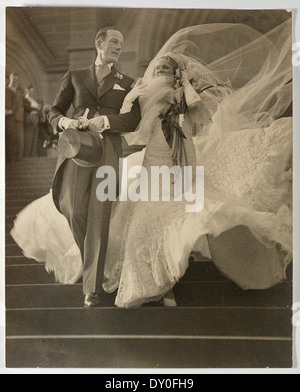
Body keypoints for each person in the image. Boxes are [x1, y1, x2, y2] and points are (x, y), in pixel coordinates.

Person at [11, 20, 293, 308]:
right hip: (121, 153)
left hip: (168, 152)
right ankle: (138, 277)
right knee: (107, 213)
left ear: (176, 73)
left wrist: (177, 89)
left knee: (174, 211)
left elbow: (178, 117)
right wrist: (83, 126)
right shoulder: (110, 85)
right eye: (157, 67)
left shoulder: (163, 90)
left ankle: (151, 278)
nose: (158, 70)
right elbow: (127, 127)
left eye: (165, 68)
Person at [47, 26, 141, 307]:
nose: (119, 47)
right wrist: (66, 122)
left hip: (109, 152)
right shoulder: (75, 76)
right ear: (98, 43)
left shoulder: (128, 81)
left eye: (122, 44)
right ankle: (93, 264)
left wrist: (106, 122)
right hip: (76, 149)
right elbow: (53, 111)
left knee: (99, 216)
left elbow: (134, 119)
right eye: (114, 41)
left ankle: (92, 286)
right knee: (74, 210)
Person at [5, 73, 25, 162]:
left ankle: (18, 161)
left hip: (18, 119)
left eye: (17, 80)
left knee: (19, 140)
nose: (15, 82)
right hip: (8, 119)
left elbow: (24, 103)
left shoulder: (20, 92)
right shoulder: (5, 90)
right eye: (14, 79)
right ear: (10, 79)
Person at [23, 86, 41, 157]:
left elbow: (40, 111)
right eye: (30, 91)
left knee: (33, 143)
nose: (31, 93)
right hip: (28, 123)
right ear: (27, 91)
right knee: (28, 142)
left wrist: (35, 111)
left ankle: (32, 157)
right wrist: (35, 110)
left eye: (32, 92)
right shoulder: (25, 100)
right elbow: (26, 107)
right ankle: (27, 158)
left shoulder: (34, 101)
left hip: (35, 123)